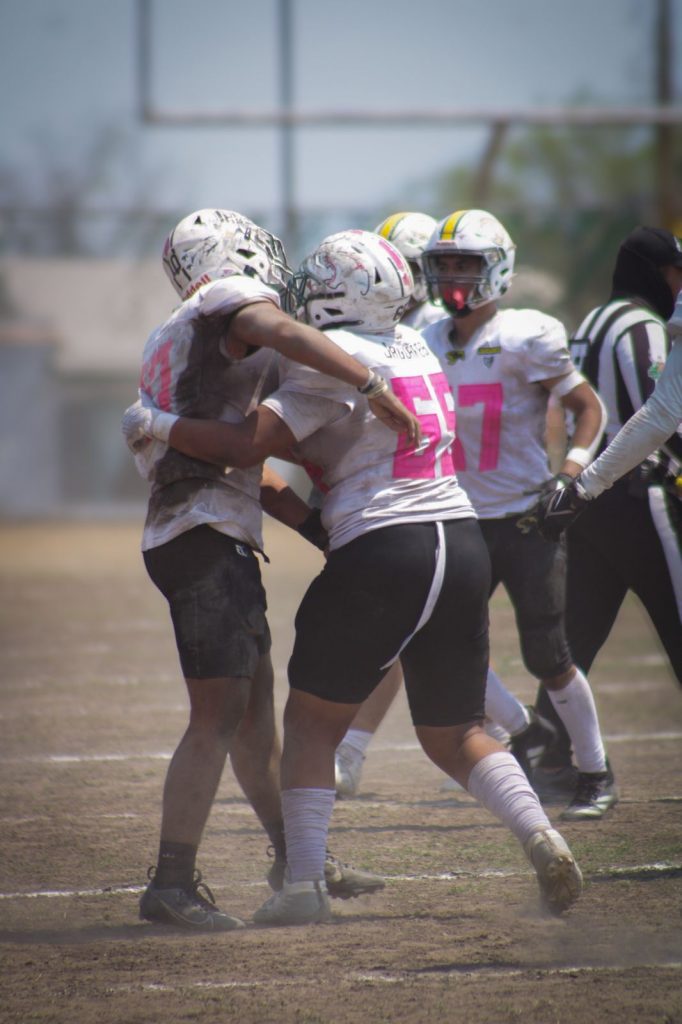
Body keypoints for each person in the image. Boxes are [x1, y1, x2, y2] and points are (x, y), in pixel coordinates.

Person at [126, 228, 583, 926]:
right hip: (461, 542)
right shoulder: (416, 346)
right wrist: (315, 527)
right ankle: (542, 834)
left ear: (337, 295)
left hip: (384, 544)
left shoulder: (329, 363)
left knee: (309, 724)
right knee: (457, 731)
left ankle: (303, 885)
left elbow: (247, 447)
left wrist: (156, 422)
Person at [124, 209, 419, 932]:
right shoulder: (221, 299)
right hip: (202, 535)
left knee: (253, 723)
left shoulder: (177, 335)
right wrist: (367, 377)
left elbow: (242, 466)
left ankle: (298, 861)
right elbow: (278, 332)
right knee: (217, 718)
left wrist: (319, 531)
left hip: (199, 530)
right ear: (229, 254)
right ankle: (170, 884)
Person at [421, 208, 617, 822]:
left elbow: (588, 408)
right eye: (444, 263)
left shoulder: (527, 334)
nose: (453, 275)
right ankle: (526, 730)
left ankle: (594, 770)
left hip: (527, 517)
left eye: (466, 263)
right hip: (459, 518)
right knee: (444, 644)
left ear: (497, 268)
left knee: (547, 654)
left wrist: (571, 474)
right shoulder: (424, 338)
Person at [530, 232, 682, 790]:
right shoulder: (642, 326)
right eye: (674, 271)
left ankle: (547, 755)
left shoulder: (593, 319)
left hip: (589, 501)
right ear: (655, 271)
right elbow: (659, 412)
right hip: (641, 495)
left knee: (577, 634)